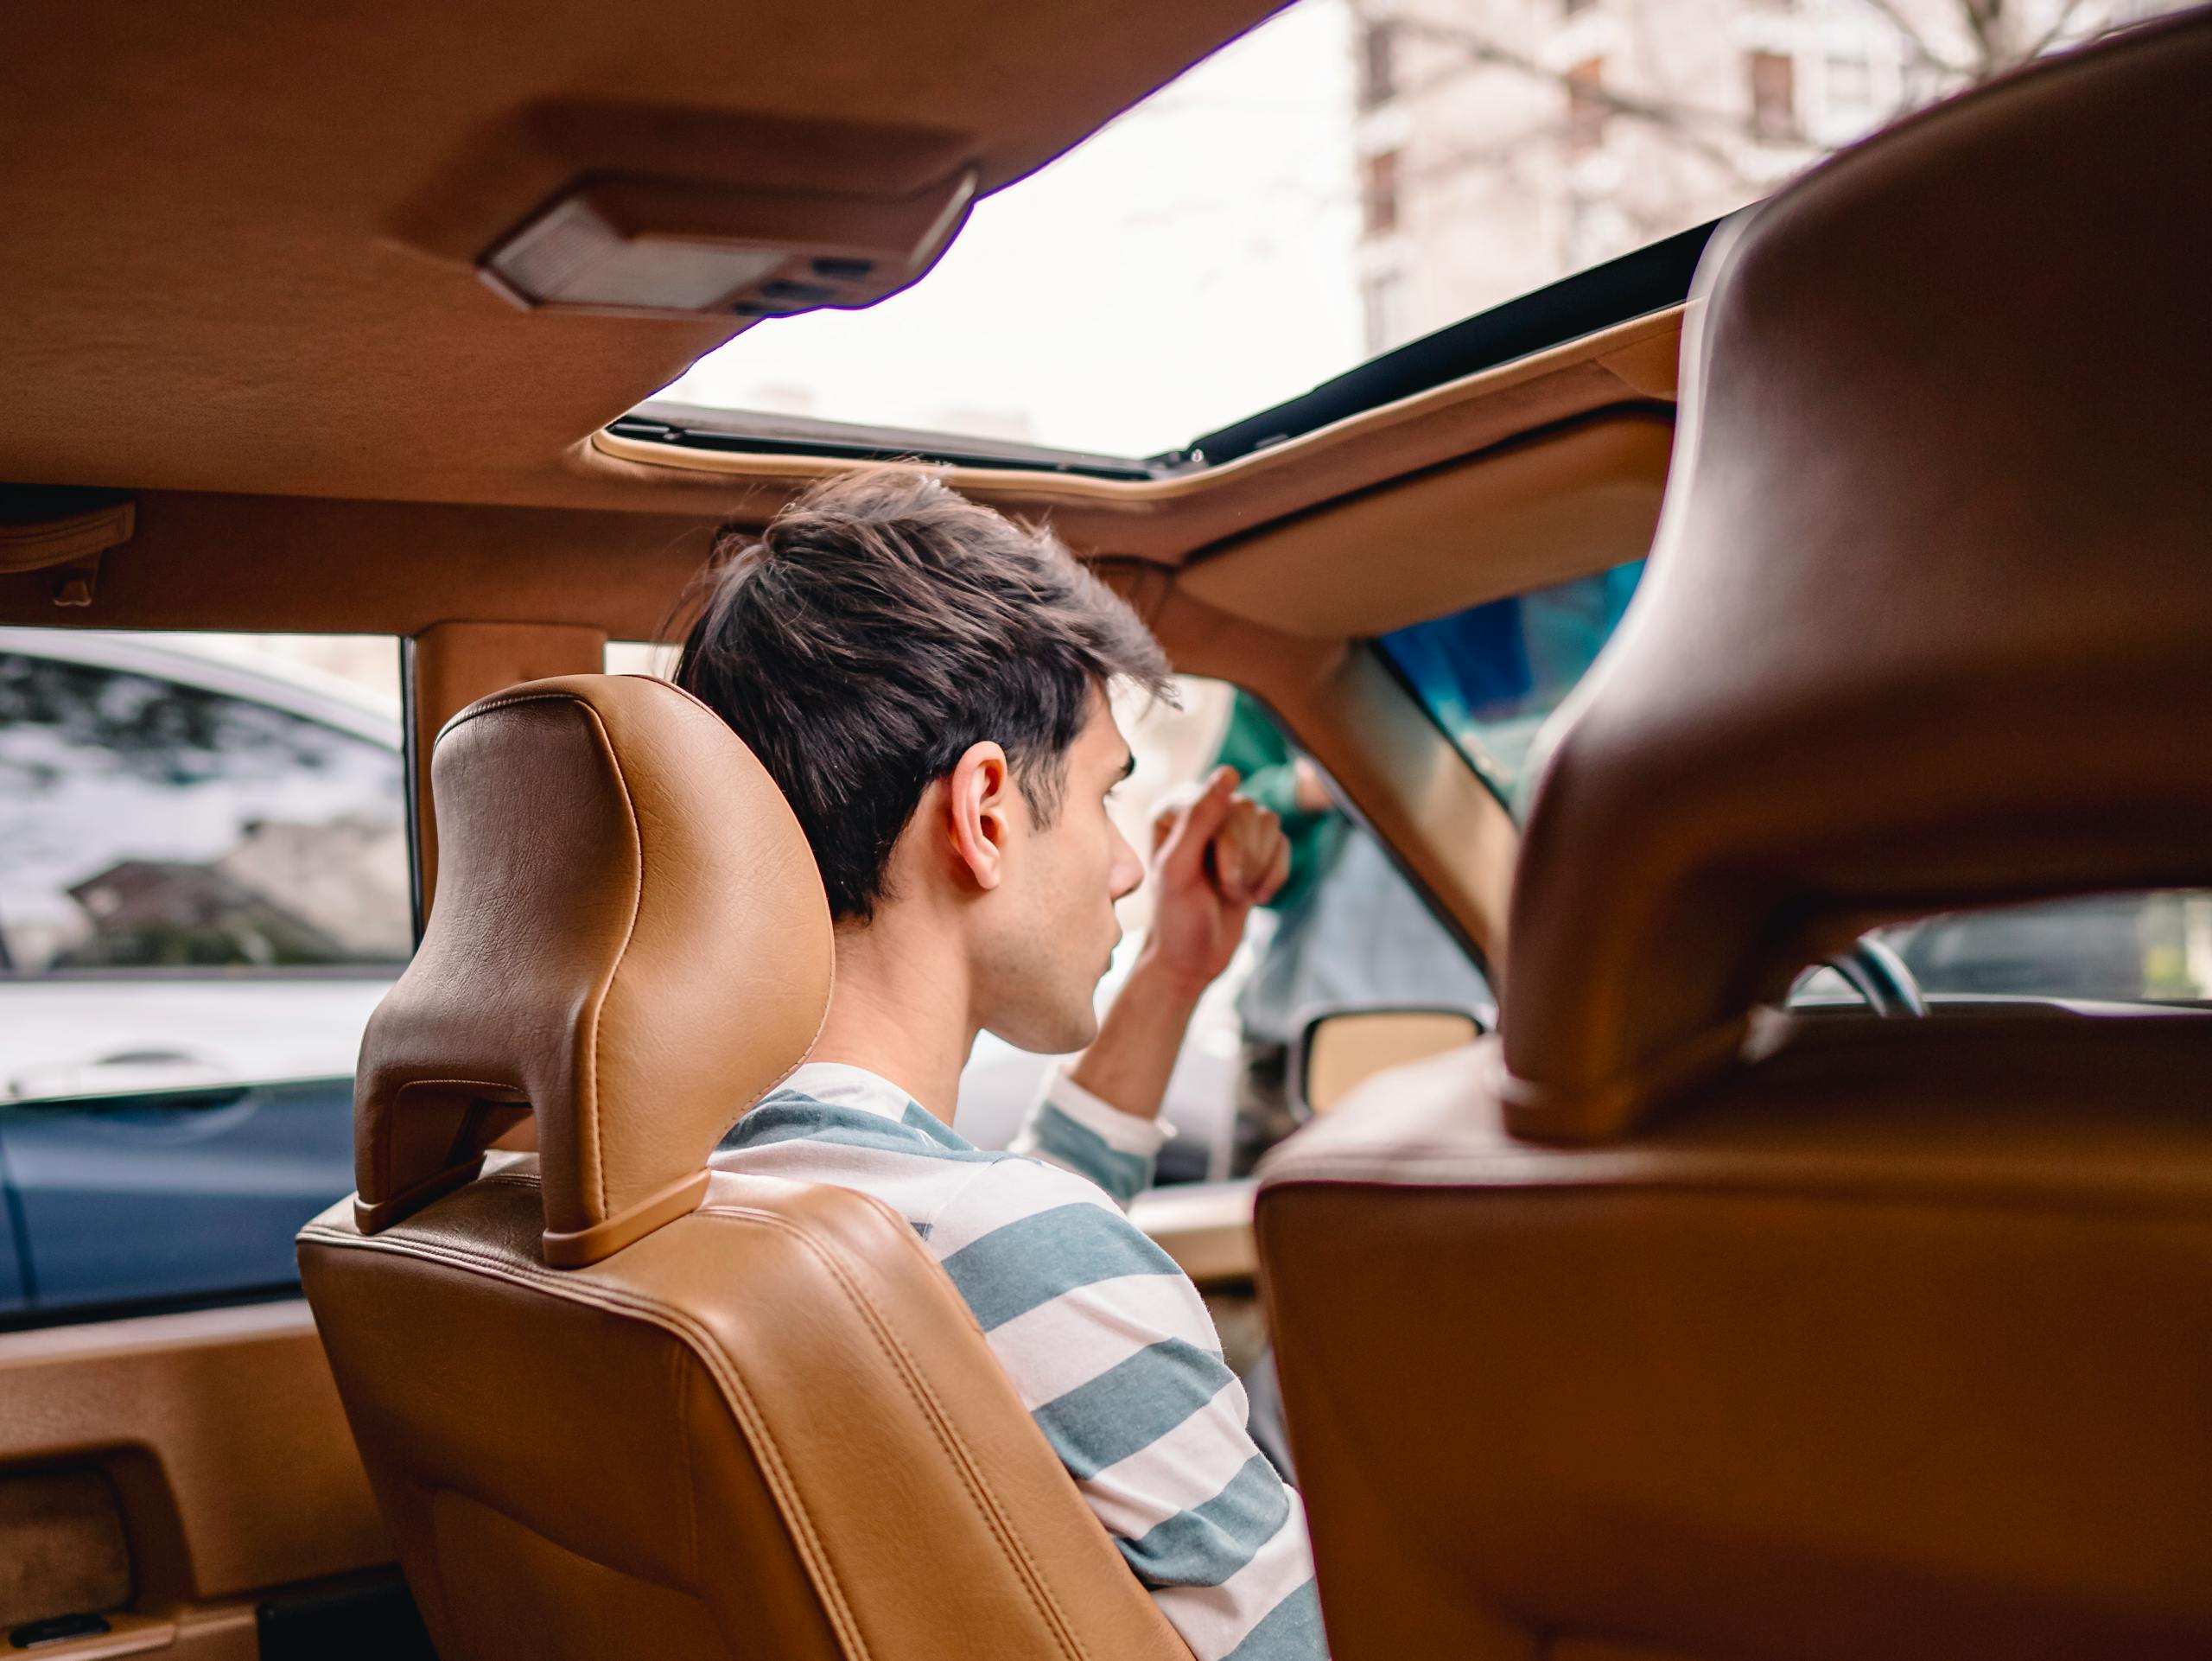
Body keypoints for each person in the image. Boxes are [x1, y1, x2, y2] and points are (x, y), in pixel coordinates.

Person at [676, 468, 1325, 1661]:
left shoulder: (706, 1201)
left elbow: (1008, 1248)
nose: (1127, 865)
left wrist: (1173, 973)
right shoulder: (1003, 1249)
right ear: (984, 811)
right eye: (1103, 795)